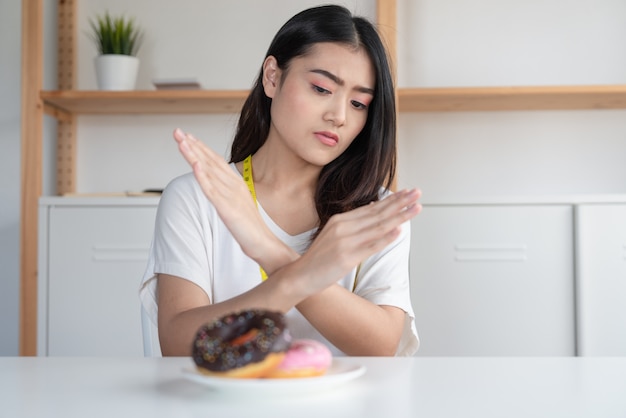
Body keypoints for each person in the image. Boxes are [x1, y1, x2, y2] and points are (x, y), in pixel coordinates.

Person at [139, 4, 422, 357]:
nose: (338, 116)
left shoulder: (377, 212)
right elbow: (178, 344)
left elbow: (382, 345)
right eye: (321, 89)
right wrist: (299, 276)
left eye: (359, 103)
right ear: (273, 77)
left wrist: (269, 251)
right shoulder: (194, 197)